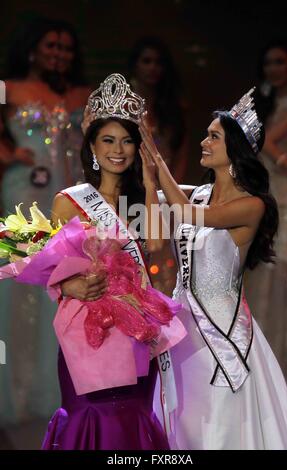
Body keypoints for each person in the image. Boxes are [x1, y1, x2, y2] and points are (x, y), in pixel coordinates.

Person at [139, 88, 287, 449]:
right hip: (182, 331)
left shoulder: (252, 205)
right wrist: (149, 180)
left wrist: (158, 162)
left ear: (236, 151)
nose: (203, 141)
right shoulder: (194, 193)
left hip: (223, 334)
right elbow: (152, 223)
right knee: (181, 420)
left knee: (220, 423)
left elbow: (196, 217)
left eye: (213, 136)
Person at [42, 73, 170, 450]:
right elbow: (48, 269)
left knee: (133, 416)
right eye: (109, 140)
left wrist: (149, 181)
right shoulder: (70, 200)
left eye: (128, 140)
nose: (119, 149)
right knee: (88, 415)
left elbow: (158, 245)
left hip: (133, 332)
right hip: (86, 332)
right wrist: (70, 285)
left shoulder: (140, 200)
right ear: (93, 148)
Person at [0, 18, 90, 426]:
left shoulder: (81, 94)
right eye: (51, 45)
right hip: (24, 192)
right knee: (19, 283)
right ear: (33, 48)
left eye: (66, 48)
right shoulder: (9, 86)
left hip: (68, 196)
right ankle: (13, 392)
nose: (59, 54)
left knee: (62, 285)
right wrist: (7, 154)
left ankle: (49, 390)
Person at [246, 40, 287, 384]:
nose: (274, 69)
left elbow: (266, 141)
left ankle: (286, 367)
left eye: (280, 61)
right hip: (271, 191)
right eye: (269, 62)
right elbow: (262, 142)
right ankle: (262, 365)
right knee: (266, 271)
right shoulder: (262, 100)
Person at [128, 36, 189, 297]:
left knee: (164, 270)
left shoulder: (174, 108)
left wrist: (166, 194)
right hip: (127, 194)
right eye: (146, 61)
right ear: (135, 65)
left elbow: (180, 157)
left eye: (158, 62)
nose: (153, 68)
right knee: (133, 265)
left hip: (163, 194)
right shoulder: (120, 107)